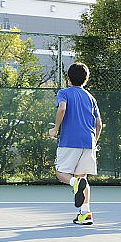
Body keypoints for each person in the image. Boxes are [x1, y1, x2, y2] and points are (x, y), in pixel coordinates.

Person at [48, 62, 102, 225]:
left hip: (69, 141)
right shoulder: (90, 98)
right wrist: (94, 142)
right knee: (83, 176)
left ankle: (74, 183)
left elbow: (62, 109)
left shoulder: (63, 92)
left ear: (69, 79)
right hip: (88, 142)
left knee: (61, 172)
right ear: (85, 80)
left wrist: (55, 129)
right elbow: (98, 124)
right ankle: (85, 214)